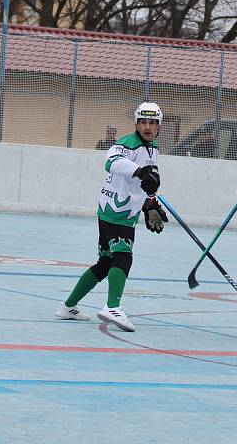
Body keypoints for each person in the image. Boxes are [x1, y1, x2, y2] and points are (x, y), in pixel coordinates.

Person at [55, 102, 168, 332]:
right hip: (117, 210)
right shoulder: (127, 143)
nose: (147, 127)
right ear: (136, 124)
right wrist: (139, 171)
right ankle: (112, 307)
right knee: (123, 257)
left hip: (121, 210)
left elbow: (145, 182)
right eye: (143, 122)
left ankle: (67, 307)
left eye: (152, 123)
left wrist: (150, 203)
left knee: (106, 263)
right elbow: (112, 162)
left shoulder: (152, 148)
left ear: (159, 126)